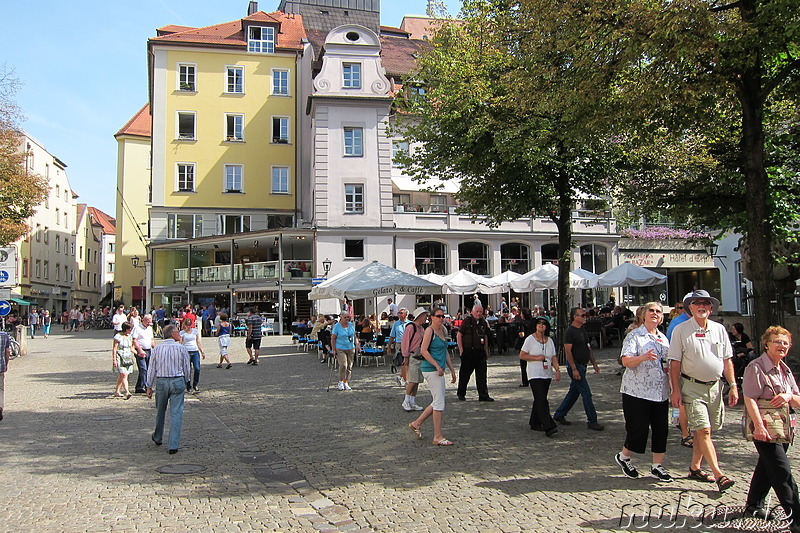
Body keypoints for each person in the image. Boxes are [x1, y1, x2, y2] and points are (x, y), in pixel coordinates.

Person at [667, 289, 738, 493]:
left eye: (705, 303)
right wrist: (675, 391)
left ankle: (695, 468)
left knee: (706, 430)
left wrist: (733, 385)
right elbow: (674, 363)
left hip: (715, 388)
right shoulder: (681, 330)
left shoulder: (719, 329)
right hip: (691, 387)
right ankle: (719, 474)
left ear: (711, 308)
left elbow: (727, 360)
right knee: (703, 430)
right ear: (690, 308)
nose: (702, 307)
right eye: (697, 303)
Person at [742, 326, 800, 530]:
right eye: (777, 341)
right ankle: (796, 518)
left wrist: (788, 396)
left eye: (785, 342)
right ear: (766, 344)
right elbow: (749, 398)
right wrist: (758, 425)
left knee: (767, 466)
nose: (782, 345)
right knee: (781, 471)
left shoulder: (785, 369)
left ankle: (753, 505)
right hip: (765, 428)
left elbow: (797, 400)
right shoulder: (756, 367)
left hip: (783, 429)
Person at [614, 302, 674, 482]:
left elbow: (667, 362)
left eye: (658, 312)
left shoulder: (663, 339)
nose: (655, 314)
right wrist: (643, 357)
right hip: (636, 391)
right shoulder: (635, 336)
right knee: (638, 428)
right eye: (652, 311)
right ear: (643, 315)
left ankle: (657, 466)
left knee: (661, 429)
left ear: (662, 317)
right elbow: (626, 361)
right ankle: (624, 457)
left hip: (660, 391)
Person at [408, 308, 457, 446]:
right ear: (432, 317)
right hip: (430, 369)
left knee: (437, 401)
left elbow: (445, 351)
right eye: (438, 316)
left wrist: (452, 370)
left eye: (443, 316)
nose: (441, 318)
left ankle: (416, 423)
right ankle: (437, 436)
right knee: (439, 402)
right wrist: (436, 365)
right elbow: (423, 351)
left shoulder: (443, 330)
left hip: (439, 369)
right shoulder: (429, 331)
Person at [553, 308, 605, 430]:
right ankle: (592, 420)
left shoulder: (582, 330)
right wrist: (574, 368)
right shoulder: (569, 332)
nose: (585, 317)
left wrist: (594, 363)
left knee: (574, 392)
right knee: (586, 393)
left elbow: (588, 348)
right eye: (582, 315)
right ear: (575, 317)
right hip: (576, 365)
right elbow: (568, 352)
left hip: (583, 364)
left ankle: (560, 414)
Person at [146, 324, 191, 454]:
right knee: (176, 413)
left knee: (160, 411)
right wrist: (187, 381)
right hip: (177, 380)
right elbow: (187, 367)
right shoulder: (181, 349)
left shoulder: (157, 349)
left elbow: (151, 369)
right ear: (172, 334)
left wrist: (149, 385)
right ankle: (173, 444)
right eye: (177, 332)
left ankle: (158, 436)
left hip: (161, 381)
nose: (179, 334)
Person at [519, 316, 560, 437]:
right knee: (542, 400)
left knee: (539, 399)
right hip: (534, 373)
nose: (541, 325)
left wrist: (557, 369)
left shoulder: (550, 341)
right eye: (539, 323)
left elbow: (553, 357)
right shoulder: (530, 340)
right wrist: (536, 358)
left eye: (543, 323)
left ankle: (534, 422)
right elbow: (522, 355)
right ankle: (549, 425)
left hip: (546, 374)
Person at [456, 304, 494, 402]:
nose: (478, 313)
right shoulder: (466, 321)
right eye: (477, 311)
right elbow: (459, 335)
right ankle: (461, 393)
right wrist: (461, 350)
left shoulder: (483, 322)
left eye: (480, 312)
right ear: (472, 312)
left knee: (482, 375)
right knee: (465, 374)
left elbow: (485, 336)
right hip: (468, 351)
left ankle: (483, 395)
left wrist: (486, 351)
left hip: (480, 351)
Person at [400, 307, 429, 412]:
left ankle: (412, 401)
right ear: (420, 316)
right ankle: (406, 401)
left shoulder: (421, 328)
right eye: (425, 315)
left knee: (417, 380)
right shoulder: (411, 327)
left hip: (419, 357)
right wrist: (405, 356)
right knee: (412, 380)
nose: (426, 317)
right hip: (412, 356)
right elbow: (405, 342)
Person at [331, 312, 359, 391]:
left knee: (350, 366)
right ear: (341, 317)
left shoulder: (350, 325)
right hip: (340, 348)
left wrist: (357, 344)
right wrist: (333, 349)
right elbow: (333, 338)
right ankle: (341, 381)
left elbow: (354, 336)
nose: (347, 319)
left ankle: (346, 381)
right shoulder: (337, 326)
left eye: (348, 317)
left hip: (350, 347)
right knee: (343, 365)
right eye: (345, 317)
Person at [180, 317, 205, 392]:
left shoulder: (195, 331)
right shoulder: (182, 333)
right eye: (187, 325)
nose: (188, 327)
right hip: (186, 352)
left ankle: (195, 384)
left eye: (189, 325)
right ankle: (188, 385)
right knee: (187, 370)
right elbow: (180, 343)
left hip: (195, 351)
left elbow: (198, 342)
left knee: (197, 368)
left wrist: (202, 351)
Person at [132, 314, 155, 393]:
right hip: (140, 350)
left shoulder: (149, 329)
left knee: (147, 369)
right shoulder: (137, 328)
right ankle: (146, 386)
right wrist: (140, 350)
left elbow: (152, 340)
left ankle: (139, 386)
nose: (149, 324)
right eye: (148, 322)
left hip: (149, 350)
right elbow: (134, 340)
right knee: (143, 369)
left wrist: (155, 348)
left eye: (150, 322)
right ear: (144, 320)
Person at [112, 322, 136, 399]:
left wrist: (138, 353)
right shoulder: (118, 336)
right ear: (126, 329)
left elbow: (131, 348)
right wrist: (114, 360)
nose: (131, 330)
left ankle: (116, 391)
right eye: (130, 329)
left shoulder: (130, 337)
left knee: (122, 375)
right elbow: (115, 349)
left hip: (128, 357)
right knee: (124, 375)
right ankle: (127, 392)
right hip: (120, 356)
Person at [389, 308, 411, 386]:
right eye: (398, 313)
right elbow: (392, 336)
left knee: (408, 363)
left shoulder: (410, 324)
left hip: (409, 345)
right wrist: (389, 346)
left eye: (401, 313)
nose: (399, 314)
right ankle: (407, 381)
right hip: (399, 345)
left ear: (406, 314)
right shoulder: (396, 324)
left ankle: (400, 376)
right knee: (403, 362)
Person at [515, 307, 535, 387]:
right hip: (533, 343)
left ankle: (525, 381)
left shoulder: (522, 323)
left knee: (523, 365)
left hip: (524, 344)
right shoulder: (534, 322)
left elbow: (521, 334)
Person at [0, 329, 10, 420]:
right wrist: (6, 364)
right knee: (1, 389)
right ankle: (0, 407)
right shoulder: (4, 335)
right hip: (1, 366)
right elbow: (7, 352)